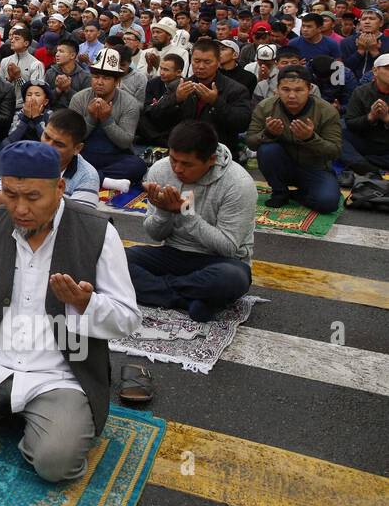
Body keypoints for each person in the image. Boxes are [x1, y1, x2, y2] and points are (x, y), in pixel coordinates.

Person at [0, 140, 141, 482]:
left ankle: (38, 424)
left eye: (33, 197)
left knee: (55, 464)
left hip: (61, 373)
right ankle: (4, 413)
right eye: (10, 194)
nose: (20, 208)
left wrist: (86, 303)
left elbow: (128, 318)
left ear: (59, 188)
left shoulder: (98, 231)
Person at [127, 120, 256, 321]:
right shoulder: (161, 170)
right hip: (174, 253)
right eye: (173, 160)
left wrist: (185, 212)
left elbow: (228, 247)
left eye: (187, 164)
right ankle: (187, 299)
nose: (177, 169)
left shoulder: (238, 184)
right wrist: (162, 212)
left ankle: (158, 289)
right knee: (116, 260)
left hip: (220, 261)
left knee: (232, 279)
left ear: (211, 159)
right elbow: (155, 235)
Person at [246, 65, 342, 213]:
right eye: (286, 90)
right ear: (276, 89)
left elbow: (335, 151)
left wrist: (310, 138)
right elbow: (250, 142)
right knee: (267, 149)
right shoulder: (265, 107)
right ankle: (280, 192)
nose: (292, 95)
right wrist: (268, 134)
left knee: (327, 203)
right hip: (282, 166)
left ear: (309, 89)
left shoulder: (327, 111)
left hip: (315, 168)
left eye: (298, 90)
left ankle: (296, 194)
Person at [145, 39, 252, 151]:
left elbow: (242, 124)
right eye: (196, 61)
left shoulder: (235, 89)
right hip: (181, 147)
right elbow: (154, 117)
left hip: (218, 149)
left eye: (207, 62)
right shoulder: (178, 86)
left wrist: (216, 102)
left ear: (218, 62)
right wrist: (175, 99)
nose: (200, 66)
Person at [67, 47, 146, 186]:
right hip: (84, 154)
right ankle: (105, 180)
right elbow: (71, 137)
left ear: (116, 81)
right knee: (62, 157)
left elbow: (125, 142)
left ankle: (90, 177)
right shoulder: (79, 98)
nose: (99, 82)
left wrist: (106, 119)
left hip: (115, 156)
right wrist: (91, 118)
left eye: (106, 78)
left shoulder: (129, 103)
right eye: (96, 77)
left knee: (137, 166)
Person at [342, 53, 389, 174]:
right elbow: (350, 122)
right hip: (367, 141)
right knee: (337, 130)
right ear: (375, 70)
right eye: (387, 68)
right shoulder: (361, 92)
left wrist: (387, 118)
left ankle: (365, 164)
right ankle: (368, 166)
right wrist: (371, 117)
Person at [44, 37, 90, 109]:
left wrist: (68, 90)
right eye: (57, 51)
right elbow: (44, 99)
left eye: (61, 51)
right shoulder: (50, 73)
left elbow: (85, 103)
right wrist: (58, 90)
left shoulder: (85, 76)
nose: (57, 54)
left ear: (72, 55)